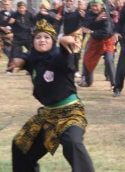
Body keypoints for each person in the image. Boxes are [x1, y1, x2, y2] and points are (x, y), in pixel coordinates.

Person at [9, 19, 94, 172]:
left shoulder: (57, 56)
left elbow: (66, 60)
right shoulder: (34, 58)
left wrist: (64, 43)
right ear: (33, 40)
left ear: (53, 41)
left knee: (72, 143)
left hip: (70, 113)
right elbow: (27, 57)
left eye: (47, 37)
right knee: (21, 145)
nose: (42, 40)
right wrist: (20, 59)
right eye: (38, 37)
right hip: (48, 115)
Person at [80, 0, 116, 90]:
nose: (94, 8)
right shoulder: (88, 13)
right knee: (87, 60)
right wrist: (96, 20)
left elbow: (106, 32)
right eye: (93, 6)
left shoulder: (105, 15)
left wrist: (91, 31)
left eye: (96, 6)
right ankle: (88, 81)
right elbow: (86, 24)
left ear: (101, 6)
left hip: (107, 41)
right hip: (95, 41)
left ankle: (114, 84)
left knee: (109, 61)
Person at [7, 1, 35, 74]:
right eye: (19, 8)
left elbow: (35, 22)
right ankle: (9, 69)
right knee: (13, 54)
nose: (21, 9)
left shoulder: (29, 14)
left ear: (25, 8)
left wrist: (33, 29)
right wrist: (10, 22)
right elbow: (8, 22)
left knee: (33, 52)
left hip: (28, 37)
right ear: (17, 8)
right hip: (17, 38)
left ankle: (31, 69)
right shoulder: (14, 15)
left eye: (22, 8)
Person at [0, 0, 13, 65]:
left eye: (7, 4)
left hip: (11, 34)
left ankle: (12, 62)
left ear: (10, 5)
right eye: (4, 4)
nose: (6, 6)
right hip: (1, 34)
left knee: (13, 49)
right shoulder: (0, 14)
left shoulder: (14, 14)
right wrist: (2, 28)